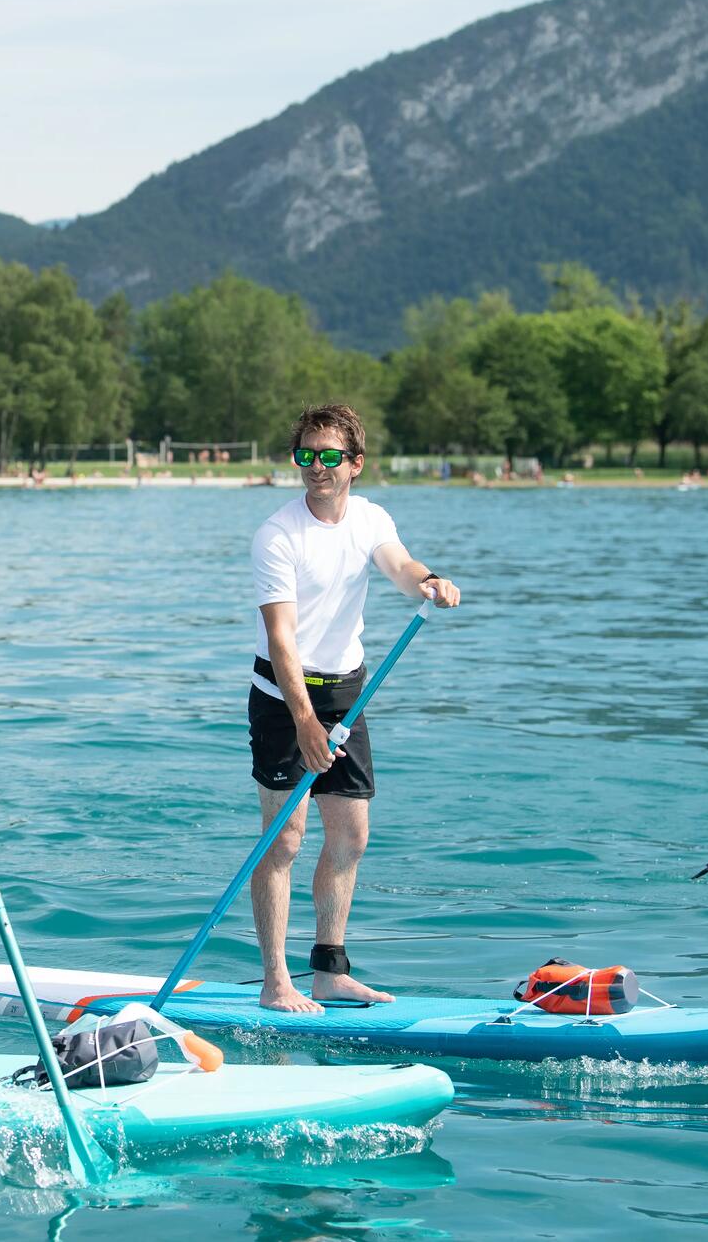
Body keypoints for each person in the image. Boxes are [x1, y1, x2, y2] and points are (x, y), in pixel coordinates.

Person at [248, 403, 460, 1014]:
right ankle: (275, 982)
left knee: (350, 836)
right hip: (282, 695)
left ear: (355, 464)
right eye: (306, 455)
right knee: (283, 840)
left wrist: (430, 581)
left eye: (330, 456)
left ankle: (329, 971)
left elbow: (400, 566)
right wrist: (305, 723)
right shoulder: (277, 535)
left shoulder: (369, 518)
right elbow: (282, 639)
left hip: (346, 687)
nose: (317, 467)